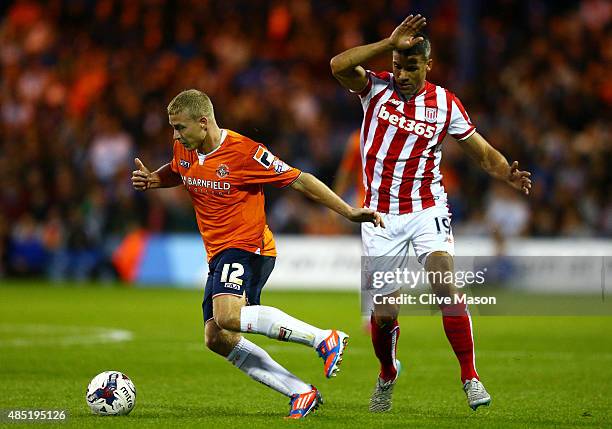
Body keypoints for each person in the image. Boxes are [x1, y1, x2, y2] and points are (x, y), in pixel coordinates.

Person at [131, 89, 384, 419]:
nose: (175, 135)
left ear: (203, 123)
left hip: (248, 246)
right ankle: (300, 391)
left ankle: (323, 338)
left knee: (227, 317)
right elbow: (178, 169)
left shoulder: (246, 153)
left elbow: (301, 180)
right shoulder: (184, 147)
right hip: (218, 252)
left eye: (180, 127)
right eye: (173, 128)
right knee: (217, 338)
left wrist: (348, 211)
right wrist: (154, 179)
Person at [330, 14, 531, 412]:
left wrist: (507, 172)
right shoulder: (374, 89)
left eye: (410, 67)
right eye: (397, 67)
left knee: (444, 283)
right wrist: (388, 43)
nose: (401, 75)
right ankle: (388, 373)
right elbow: (338, 65)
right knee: (384, 314)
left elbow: (483, 153)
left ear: (428, 65)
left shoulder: (445, 103)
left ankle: (470, 377)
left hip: (426, 209)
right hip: (379, 217)